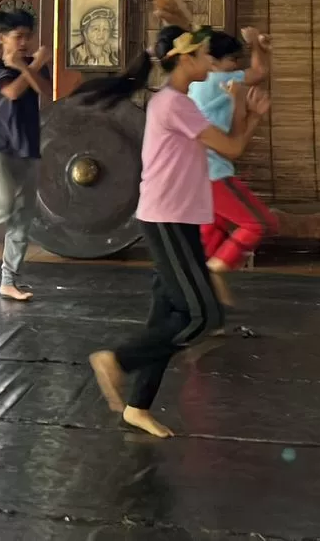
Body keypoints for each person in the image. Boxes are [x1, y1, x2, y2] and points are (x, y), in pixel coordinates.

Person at [83, 25, 270, 438]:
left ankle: (137, 405)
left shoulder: (178, 102)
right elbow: (233, 148)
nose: (212, 64)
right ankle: (118, 359)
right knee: (203, 315)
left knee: (166, 316)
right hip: (166, 219)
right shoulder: (174, 104)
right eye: (205, 56)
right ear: (186, 60)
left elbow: (228, 142)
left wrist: (247, 114)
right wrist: (248, 112)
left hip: (179, 218)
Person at [187, 27, 278, 304]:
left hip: (200, 172)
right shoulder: (214, 80)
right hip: (212, 173)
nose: (235, 66)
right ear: (213, 62)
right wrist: (255, 45)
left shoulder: (209, 88)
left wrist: (248, 113)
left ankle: (204, 302)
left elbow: (234, 141)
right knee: (259, 223)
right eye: (231, 60)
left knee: (209, 241)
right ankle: (216, 269)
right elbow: (260, 72)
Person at [0, 8, 50, 301]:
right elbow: (13, 93)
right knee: (3, 204)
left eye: (28, 37)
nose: (24, 43)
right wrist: (27, 67)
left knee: (23, 217)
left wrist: (32, 65)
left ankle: (9, 280)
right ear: (1, 38)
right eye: (18, 37)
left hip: (28, 146)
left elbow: (46, 90)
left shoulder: (35, 64)